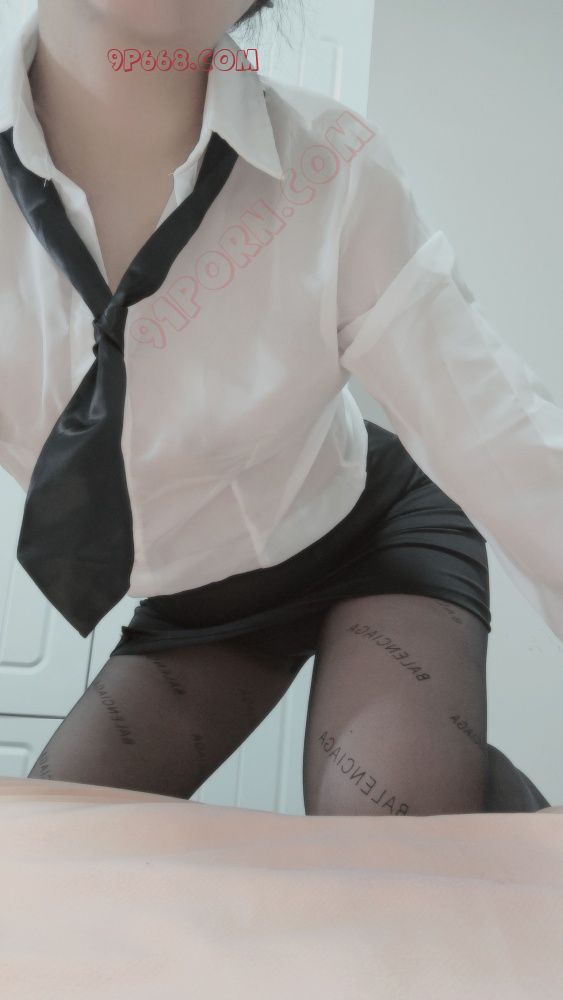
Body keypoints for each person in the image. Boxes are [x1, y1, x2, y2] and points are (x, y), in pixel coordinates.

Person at [0, 1, 558, 813]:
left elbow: (502, 438)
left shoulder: (332, 170)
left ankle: (481, 806)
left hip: (375, 533)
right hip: (203, 599)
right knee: (51, 853)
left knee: (388, 845)